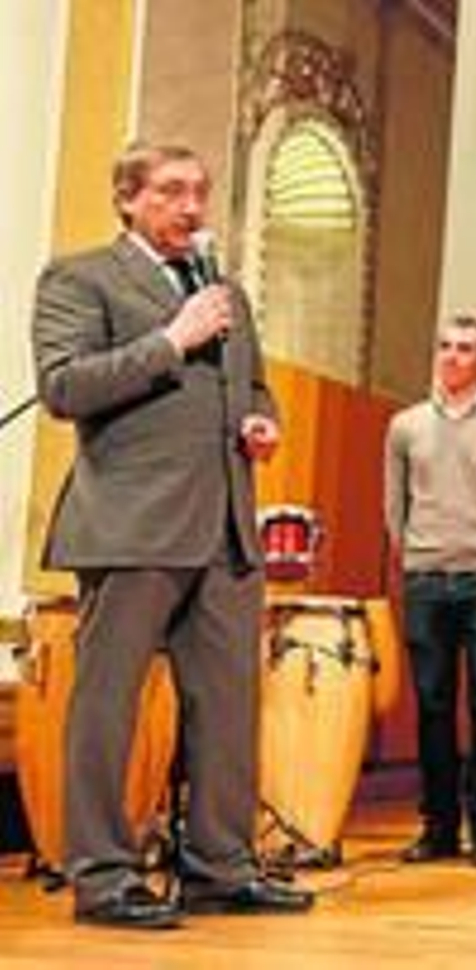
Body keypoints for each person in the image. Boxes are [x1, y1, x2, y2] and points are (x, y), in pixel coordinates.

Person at [31, 141, 313, 928]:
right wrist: (173, 339)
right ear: (128, 199)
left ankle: (222, 867)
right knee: (107, 709)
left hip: (224, 525)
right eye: (172, 191)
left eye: (201, 191)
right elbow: (63, 386)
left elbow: (251, 384)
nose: (192, 207)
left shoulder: (224, 291)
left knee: (228, 707)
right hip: (131, 524)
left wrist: (264, 420)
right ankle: (103, 876)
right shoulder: (79, 277)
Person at [384, 314, 476, 869]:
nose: (451, 356)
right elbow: (394, 508)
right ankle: (439, 827)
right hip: (426, 579)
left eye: (465, 349)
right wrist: (417, 558)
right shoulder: (406, 425)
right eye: (444, 346)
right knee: (433, 706)